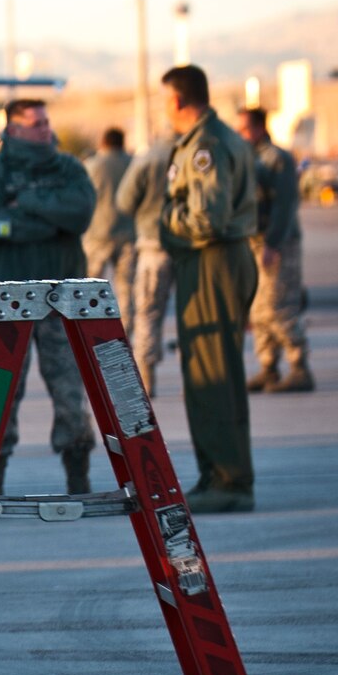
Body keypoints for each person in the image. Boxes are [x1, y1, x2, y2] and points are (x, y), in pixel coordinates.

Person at [0, 99, 98, 495]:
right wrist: (44, 225)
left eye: (46, 122)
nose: (45, 129)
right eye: (36, 124)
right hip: (6, 298)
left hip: (60, 296)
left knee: (70, 393)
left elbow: (81, 215)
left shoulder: (68, 168)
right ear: (15, 130)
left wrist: (26, 204)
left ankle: (78, 472)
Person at [160, 65, 259, 513]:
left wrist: (165, 221)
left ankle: (228, 482)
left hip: (212, 261)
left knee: (211, 376)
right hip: (215, 260)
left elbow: (206, 219)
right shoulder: (214, 138)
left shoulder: (206, 146)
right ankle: (220, 475)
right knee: (214, 373)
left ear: (177, 101)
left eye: (164, 100)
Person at [237, 107, 313, 394]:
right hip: (256, 242)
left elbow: (285, 204)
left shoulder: (276, 159)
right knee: (258, 310)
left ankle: (300, 366)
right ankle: (268, 367)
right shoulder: (251, 158)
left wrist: (273, 243)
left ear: (258, 128)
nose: (240, 134)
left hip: (278, 243)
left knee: (279, 305)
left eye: (244, 129)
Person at [117, 135, 174, 397]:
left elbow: (125, 201)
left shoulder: (149, 157)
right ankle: (199, 379)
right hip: (194, 249)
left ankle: (146, 377)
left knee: (148, 312)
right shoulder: (200, 151)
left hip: (154, 244)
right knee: (194, 314)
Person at [82, 127, 136, 311]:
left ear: (103, 142)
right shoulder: (133, 163)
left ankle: (88, 331)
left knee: (89, 289)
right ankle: (124, 333)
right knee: (126, 290)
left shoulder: (93, 165)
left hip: (98, 235)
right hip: (128, 235)